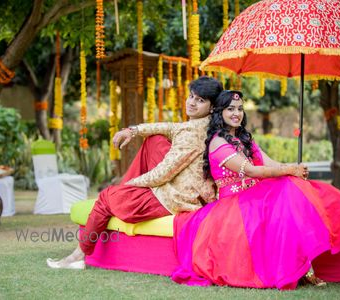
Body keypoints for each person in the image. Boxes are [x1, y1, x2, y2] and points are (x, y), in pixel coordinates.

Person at [172, 90, 340, 290]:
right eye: (230, 109)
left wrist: (293, 169)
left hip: (255, 195)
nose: (236, 113)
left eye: (240, 109)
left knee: (290, 186)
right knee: (286, 189)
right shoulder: (218, 142)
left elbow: (270, 163)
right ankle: (301, 270)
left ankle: (304, 266)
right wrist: (288, 170)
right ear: (219, 112)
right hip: (233, 204)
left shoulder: (245, 138)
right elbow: (252, 170)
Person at [47, 76, 223, 269]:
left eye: (200, 100)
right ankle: (122, 194)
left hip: (175, 197)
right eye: (191, 96)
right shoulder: (203, 127)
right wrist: (133, 130)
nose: (192, 102)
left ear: (212, 107)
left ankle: (78, 256)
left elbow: (161, 175)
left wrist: (131, 184)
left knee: (106, 197)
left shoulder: (190, 134)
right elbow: (169, 127)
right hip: (187, 188)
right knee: (154, 140)